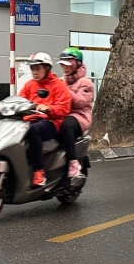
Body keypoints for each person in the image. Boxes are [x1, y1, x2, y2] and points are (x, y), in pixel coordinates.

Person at [18, 52, 72, 187]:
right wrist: (0, 105)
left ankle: (38, 171)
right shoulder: (29, 85)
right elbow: (19, 100)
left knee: (32, 131)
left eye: (38, 68)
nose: (34, 72)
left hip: (51, 121)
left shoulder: (58, 85)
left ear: (47, 68)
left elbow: (64, 108)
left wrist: (48, 108)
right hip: (30, 119)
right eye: (32, 69)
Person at [57, 47, 93, 180]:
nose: (64, 67)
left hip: (79, 117)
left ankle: (73, 163)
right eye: (63, 64)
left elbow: (81, 102)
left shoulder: (85, 82)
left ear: (77, 64)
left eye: (68, 64)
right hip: (61, 113)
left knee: (66, 126)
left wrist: (65, 90)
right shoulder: (61, 81)